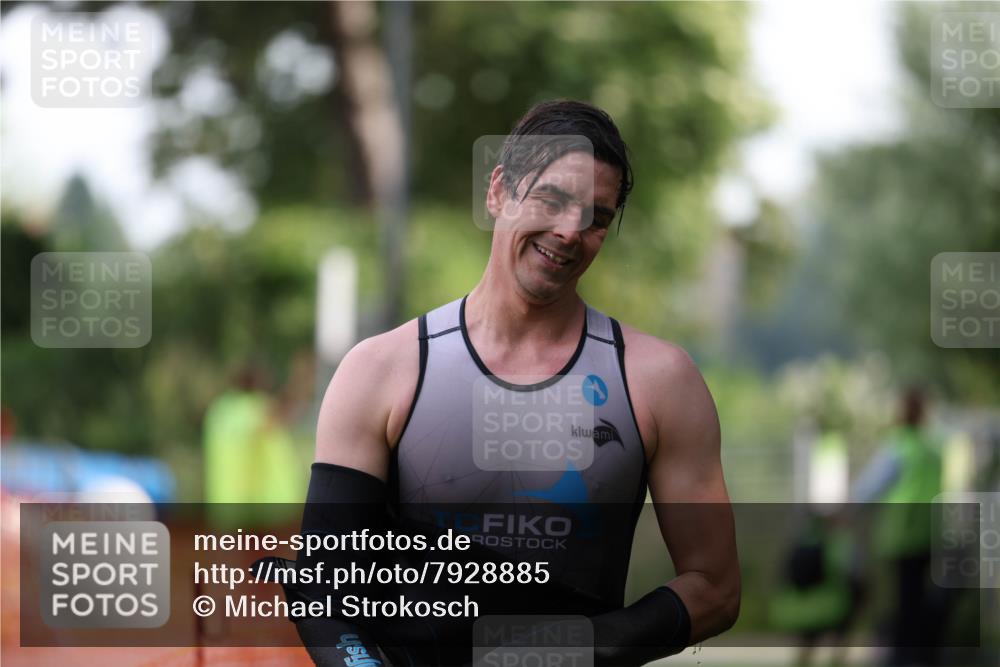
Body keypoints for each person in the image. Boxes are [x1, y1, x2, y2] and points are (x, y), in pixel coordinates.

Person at [280, 100, 740, 666]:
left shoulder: (659, 381)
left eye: (596, 217)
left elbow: (715, 589)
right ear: (498, 190)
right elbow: (324, 589)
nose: (570, 232)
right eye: (552, 199)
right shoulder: (382, 370)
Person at [852, 386, 945, 666]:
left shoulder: (899, 447)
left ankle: (900, 655)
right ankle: (920, 652)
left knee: (901, 599)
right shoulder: (932, 449)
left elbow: (869, 488)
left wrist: (845, 507)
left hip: (900, 534)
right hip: (929, 533)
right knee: (917, 596)